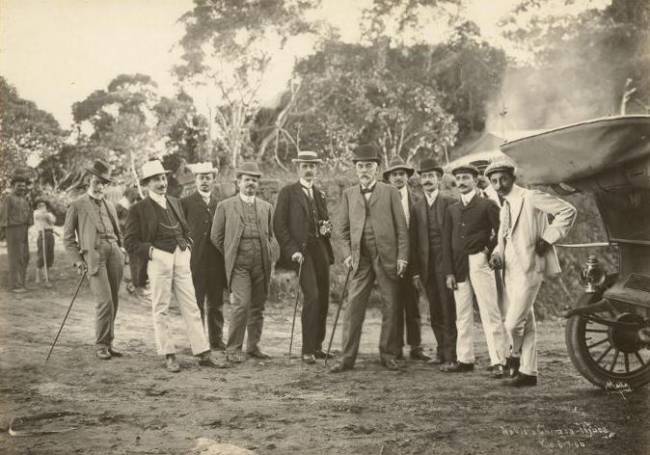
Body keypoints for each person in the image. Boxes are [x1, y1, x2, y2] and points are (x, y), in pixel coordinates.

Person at [124, 159, 225, 372]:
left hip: (181, 256)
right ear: (146, 184)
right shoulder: (138, 209)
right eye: (155, 180)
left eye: (162, 178)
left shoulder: (174, 202)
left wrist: (187, 245)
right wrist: (152, 252)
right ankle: (169, 354)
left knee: (191, 305)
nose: (161, 183)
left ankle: (203, 351)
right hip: (158, 259)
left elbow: (185, 228)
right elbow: (130, 242)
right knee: (161, 307)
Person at [486, 159, 577, 387]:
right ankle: (529, 372)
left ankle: (513, 356)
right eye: (494, 181)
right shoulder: (505, 205)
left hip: (530, 267)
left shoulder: (531, 197)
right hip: (510, 269)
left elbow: (568, 211)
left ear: (512, 177)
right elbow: (503, 238)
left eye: (503, 179)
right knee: (526, 323)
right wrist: (497, 253)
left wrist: (548, 238)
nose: (498, 185)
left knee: (512, 323)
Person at [329, 144, 409, 373]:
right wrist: (346, 256)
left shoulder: (391, 192)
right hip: (360, 259)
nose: (364, 170)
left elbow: (402, 229)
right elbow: (341, 230)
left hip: (387, 257)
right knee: (353, 306)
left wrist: (402, 257)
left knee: (391, 306)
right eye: (361, 166)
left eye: (369, 166)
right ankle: (347, 357)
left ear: (377, 168)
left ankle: (388, 354)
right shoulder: (349, 194)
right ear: (356, 169)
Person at [442, 164, 508, 377]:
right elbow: (446, 243)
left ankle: (499, 360)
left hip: (480, 262)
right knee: (462, 314)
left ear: (475, 179)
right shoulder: (452, 209)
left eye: (465, 178)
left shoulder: (487, 205)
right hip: (458, 266)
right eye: (458, 178)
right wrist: (449, 272)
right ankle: (465, 359)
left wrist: (488, 252)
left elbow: (501, 233)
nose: (461, 182)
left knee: (490, 312)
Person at [210, 162, 275, 363]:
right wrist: (231, 253)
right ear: (238, 182)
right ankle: (233, 348)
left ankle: (253, 346)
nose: (251, 184)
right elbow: (216, 236)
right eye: (247, 180)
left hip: (261, 262)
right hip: (239, 264)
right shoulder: (225, 206)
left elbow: (271, 236)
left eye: (254, 180)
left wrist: (272, 254)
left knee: (258, 305)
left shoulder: (267, 207)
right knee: (241, 304)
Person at [273, 151, 335, 364]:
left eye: (312, 166)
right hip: (301, 253)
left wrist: (327, 228)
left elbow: (325, 223)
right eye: (304, 166)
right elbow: (279, 226)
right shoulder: (288, 193)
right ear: (298, 168)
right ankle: (307, 349)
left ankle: (318, 346)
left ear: (316, 169)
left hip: (321, 252)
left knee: (324, 297)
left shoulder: (320, 194)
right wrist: (292, 250)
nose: (309, 169)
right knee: (312, 296)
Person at [63, 160, 124, 360]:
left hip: (114, 252)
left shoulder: (110, 205)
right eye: (98, 182)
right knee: (104, 301)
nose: (101, 187)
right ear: (90, 180)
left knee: (113, 300)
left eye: (105, 183)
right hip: (94, 255)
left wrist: (121, 249)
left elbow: (117, 230)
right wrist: (78, 260)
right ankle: (100, 344)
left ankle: (109, 342)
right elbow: (68, 238)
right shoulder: (77, 204)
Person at [410, 158, 457, 369]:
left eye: (431, 176)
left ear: (439, 179)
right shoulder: (417, 206)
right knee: (435, 310)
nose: (427, 180)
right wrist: (416, 271)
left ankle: (452, 354)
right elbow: (413, 241)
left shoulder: (449, 202)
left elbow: (456, 236)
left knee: (449, 309)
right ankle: (440, 351)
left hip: (446, 264)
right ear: (420, 180)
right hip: (426, 265)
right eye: (424, 176)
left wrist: (453, 267)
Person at [382, 156, 429, 361]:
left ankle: (416, 346)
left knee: (413, 302)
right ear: (388, 178)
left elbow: (419, 233)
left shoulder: (417, 201)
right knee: (394, 302)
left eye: (402, 174)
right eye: (394, 174)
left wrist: (416, 262)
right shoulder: (381, 201)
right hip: (391, 258)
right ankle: (396, 346)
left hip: (412, 260)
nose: (398, 178)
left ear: (407, 177)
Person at [181, 162, 227, 351]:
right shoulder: (185, 203)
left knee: (216, 302)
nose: (204, 182)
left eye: (208, 178)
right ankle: (197, 340)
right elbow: (181, 230)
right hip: (195, 260)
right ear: (195, 180)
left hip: (216, 260)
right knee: (196, 301)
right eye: (201, 178)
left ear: (214, 180)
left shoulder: (221, 204)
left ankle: (216, 340)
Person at [0, 173, 33, 293]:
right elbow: (4, 215)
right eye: (19, 186)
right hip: (12, 229)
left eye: (24, 186)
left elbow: (29, 214)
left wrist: (29, 224)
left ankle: (22, 283)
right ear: (13, 186)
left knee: (25, 256)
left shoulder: (25, 199)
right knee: (15, 257)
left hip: (23, 229)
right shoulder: (8, 198)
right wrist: (3, 232)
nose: (22, 188)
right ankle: (14, 285)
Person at [116, 187, 144, 295]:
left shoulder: (133, 206)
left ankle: (135, 282)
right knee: (131, 259)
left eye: (136, 194)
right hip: (124, 236)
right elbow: (116, 221)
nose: (135, 196)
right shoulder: (120, 206)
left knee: (135, 259)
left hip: (133, 235)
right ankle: (133, 283)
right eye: (133, 194)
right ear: (128, 194)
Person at [33, 198, 56, 285]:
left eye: (43, 205)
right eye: (39, 205)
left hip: (50, 234)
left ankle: (46, 274)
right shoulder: (36, 212)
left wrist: (47, 215)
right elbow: (40, 216)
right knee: (42, 254)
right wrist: (44, 214)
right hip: (42, 234)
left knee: (50, 255)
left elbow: (53, 221)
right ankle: (38, 276)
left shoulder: (49, 214)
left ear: (46, 206)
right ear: (37, 206)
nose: (41, 207)